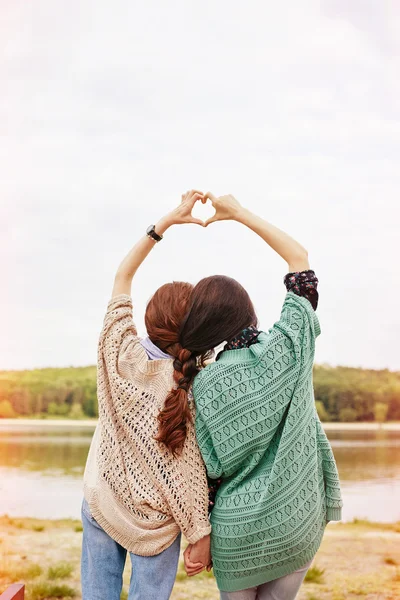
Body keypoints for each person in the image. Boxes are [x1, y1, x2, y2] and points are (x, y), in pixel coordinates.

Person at [182, 193, 343, 599]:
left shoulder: (202, 384)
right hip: (296, 519)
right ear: (246, 312)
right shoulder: (288, 345)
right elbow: (300, 260)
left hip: (236, 532)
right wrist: (238, 213)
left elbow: (211, 473)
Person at [81, 190, 212, 600]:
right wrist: (199, 534)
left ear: (150, 318)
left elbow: (123, 276)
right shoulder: (193, 386)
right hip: (157, 521)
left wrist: (165, 223)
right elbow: (187, 473)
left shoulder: (117, 350)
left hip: (102, 499)